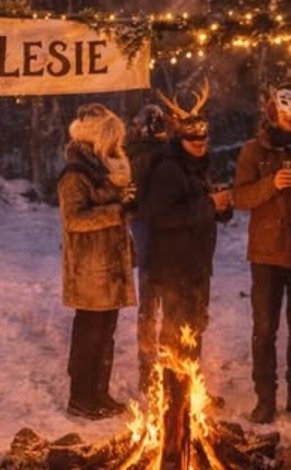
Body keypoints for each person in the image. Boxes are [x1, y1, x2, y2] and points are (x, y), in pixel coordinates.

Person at [232, 83, 291, 423]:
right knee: (264, 329)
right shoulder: (254, 151)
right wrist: (270, 185)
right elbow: (240, 197)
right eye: (285, 113)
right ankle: (265, 399)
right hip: (266, 255)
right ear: (274, 112)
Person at [139, 80, 232, 384]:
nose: (200, 146)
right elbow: (163, 216)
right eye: (194, 142)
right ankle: (171, 390)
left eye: (203, 141)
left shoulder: (199, 167)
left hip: (196, 263)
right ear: (180, 139)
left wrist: (221, 206)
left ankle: (190, 386)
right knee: (176, 326)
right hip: (173, 263)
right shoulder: (167, 168)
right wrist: (208, 204)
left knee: (195, 325)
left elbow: (201, 210)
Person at [58, 103, 136, 420]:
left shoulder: (104, 171)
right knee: (89, 335)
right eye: (111, 138)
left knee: (105, 335)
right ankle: (81, 397)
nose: (117, 145)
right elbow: (74, 219)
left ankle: (99, 393)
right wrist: (116, 211)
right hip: (90, 270)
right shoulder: (75, 176)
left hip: (111, 268)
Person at [126, 103, 169, 394]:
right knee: (152, 302)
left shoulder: (166, 153)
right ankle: (148, 368)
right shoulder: (136, 155)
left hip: (165, 229)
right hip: (148, 227)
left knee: (160, 303)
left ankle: (163, 367)